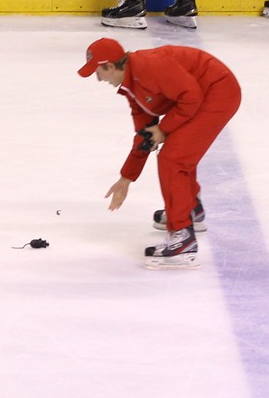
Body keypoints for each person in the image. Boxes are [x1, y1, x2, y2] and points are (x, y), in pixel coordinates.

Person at [80, 37, 242, 270]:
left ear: (110, 66)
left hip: (217, 91)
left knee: (174, 157)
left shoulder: (148, 67)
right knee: (178, 151)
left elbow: (192, 97)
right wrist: (126, 179)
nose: (98, 79)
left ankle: (182, 240)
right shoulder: (130, 87)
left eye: (98, 72)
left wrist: (164, 129)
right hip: (199, 95)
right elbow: (145, 136)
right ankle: (189, 209)